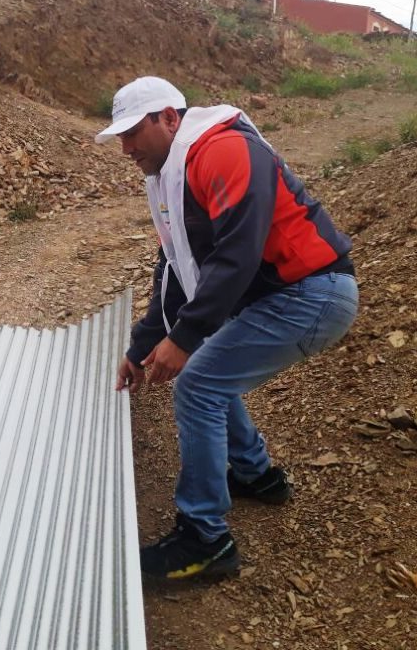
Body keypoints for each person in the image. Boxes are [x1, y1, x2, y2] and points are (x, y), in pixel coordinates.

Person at [97, 77, 358, 581]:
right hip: (283, 294)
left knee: (198, 382)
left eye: (133, 132)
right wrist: (143, 344)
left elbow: (235, 257)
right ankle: (256, 475)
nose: (126, 147)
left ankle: (206, 540)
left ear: (170, 117)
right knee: (213, 370)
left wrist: (184, 339)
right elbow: (176, 269)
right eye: (120, 136)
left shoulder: (223, 150)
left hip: (314, 294)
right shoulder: (174, 172)